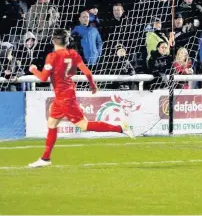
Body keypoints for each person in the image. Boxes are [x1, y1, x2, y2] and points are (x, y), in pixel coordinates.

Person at [27, 29, 135, 168]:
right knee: (52, 124)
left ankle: (120, 128)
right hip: (64, 95)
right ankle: (45, 158)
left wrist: (33, 69)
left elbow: (42, 78)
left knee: (83, 126)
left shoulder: (52, 56)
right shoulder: (73, 54)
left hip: (65, 98)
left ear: (53, 41)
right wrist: (93, 86)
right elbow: (88, 73)